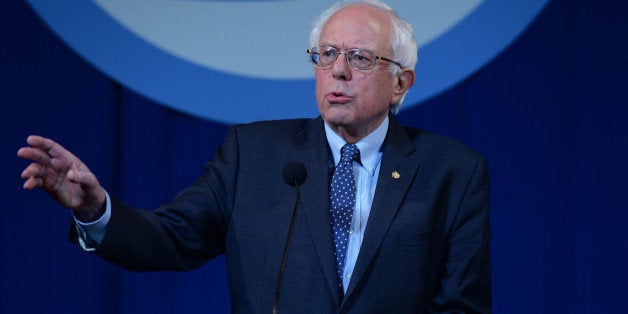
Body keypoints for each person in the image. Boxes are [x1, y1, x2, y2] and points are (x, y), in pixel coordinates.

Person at [17, 0, 491, 312]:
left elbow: (462, 307)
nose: (338, 71)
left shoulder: (452, 172)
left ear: (401, 83)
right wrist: (94, 209)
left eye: (361, 58)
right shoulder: (256, 154)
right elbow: (172, 239)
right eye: (326, 55)